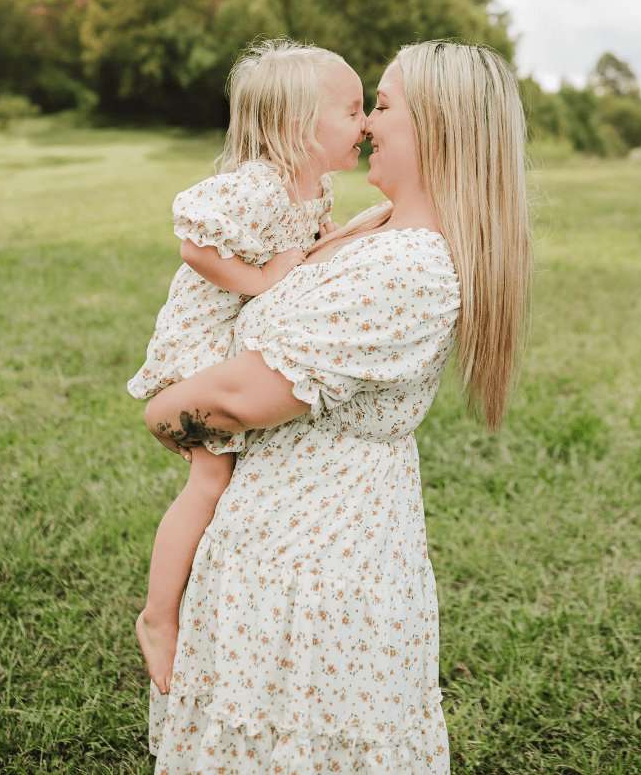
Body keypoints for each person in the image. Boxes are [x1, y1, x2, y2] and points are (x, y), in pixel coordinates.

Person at [143, 40, 532, 773]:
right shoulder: (370, 225)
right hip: (274, 547)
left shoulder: (411, 265)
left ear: (440, 129)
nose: (367, 125)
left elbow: (238, 399)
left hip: (319, 561)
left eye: (381, 106)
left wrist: (163, 409)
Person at [130, 39, 366, 695]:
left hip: (232, 342)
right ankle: (159, 616)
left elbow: (314, 244)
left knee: (232, 485)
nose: (366, 123)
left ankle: (218, 601)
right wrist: (261, 280)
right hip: (200, 345)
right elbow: (195, 246)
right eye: (351, 111)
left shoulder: (312, 186)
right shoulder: (257, 185)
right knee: (209, 480)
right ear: (299, 128)